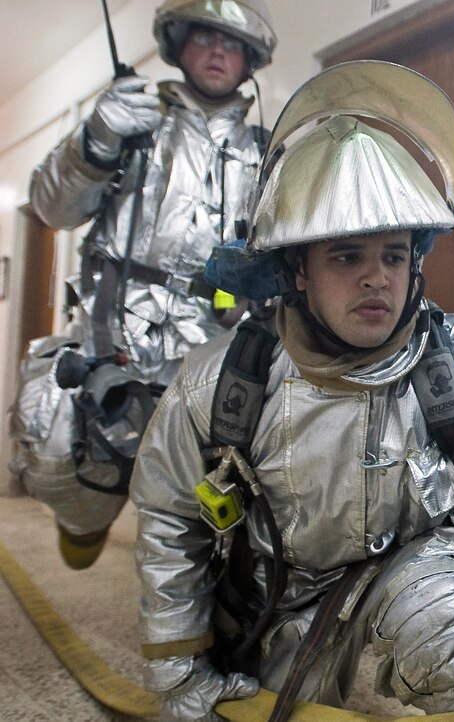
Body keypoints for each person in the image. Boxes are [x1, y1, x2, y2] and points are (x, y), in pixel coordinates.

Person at [129, 60, 454, 721]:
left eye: (394, 255)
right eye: (346, 257)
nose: (377, 279)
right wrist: (177, 668)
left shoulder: (451, 353)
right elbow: (169, 520)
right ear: (298, 270)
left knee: (453, 639)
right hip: (274, 589)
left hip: (414, 565)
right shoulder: (222, 383)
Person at [11, 0, 276, 569]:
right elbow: (51, 208)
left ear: (249, 60)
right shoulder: (132, 122)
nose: (217, 51)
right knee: (56, 450)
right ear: (179, 46)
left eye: (231, 43)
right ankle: (85, 521)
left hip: (219, 349)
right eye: (205, 37)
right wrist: (97, 138)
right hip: (116, 336)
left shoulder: (264, 153)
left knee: (217, 515)